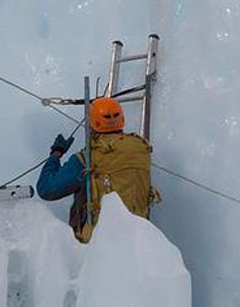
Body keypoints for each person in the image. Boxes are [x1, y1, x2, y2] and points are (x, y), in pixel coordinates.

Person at [36, 97, 159, 242]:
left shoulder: (88, 158)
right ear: (122, 119)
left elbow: (46, 189)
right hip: (140, 239)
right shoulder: (141, 149)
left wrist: (56, 153)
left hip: (98, 242)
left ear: (92, 122)